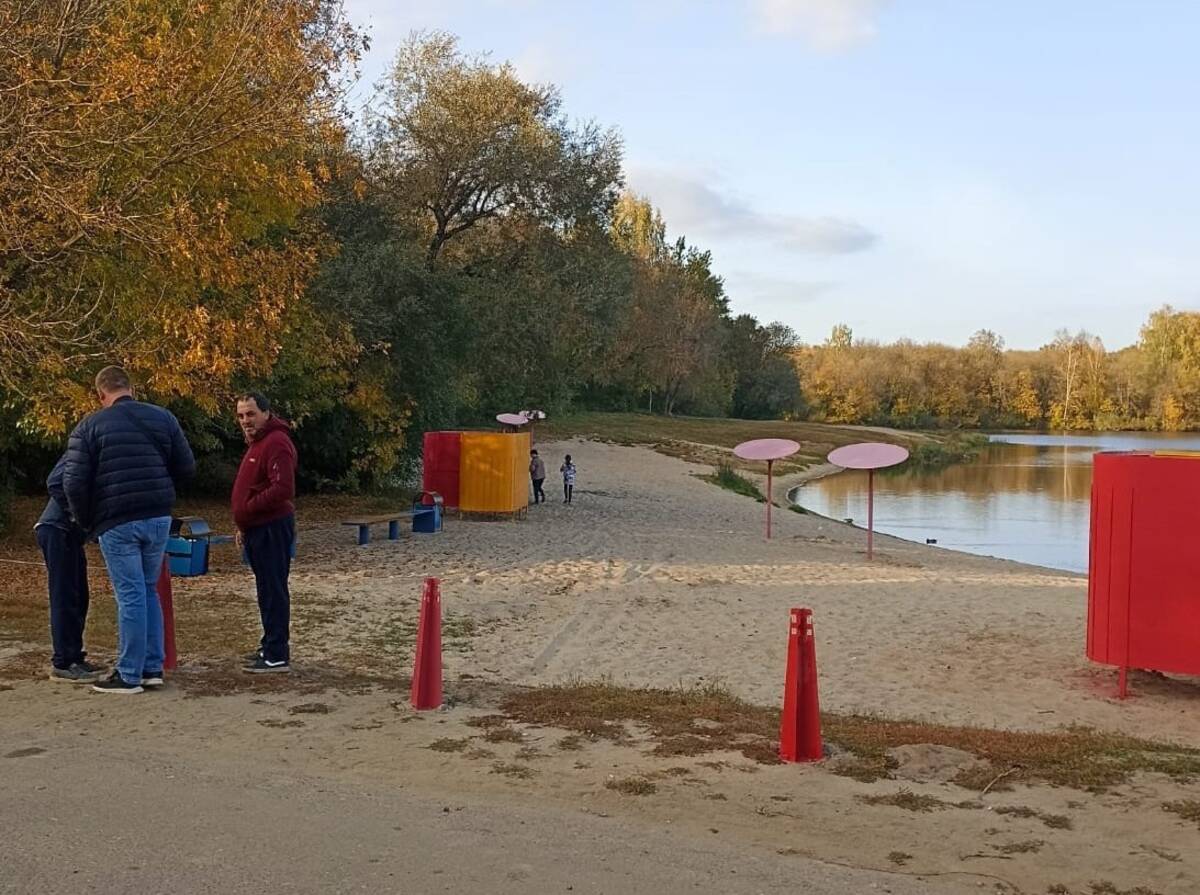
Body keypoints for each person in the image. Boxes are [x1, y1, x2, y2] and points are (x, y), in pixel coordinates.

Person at [64, 366, 195, 694]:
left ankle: (129, 673)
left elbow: (74, 481)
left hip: (117, 518)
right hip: (158, 515)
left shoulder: (90, 426)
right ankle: (152, 666)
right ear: (131, 388)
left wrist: (86, 521)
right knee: (148, 590)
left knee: (131, 595)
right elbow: (186, 466)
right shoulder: (163, 418)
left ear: (100, 394)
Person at [232, 392, 297, 674]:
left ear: (266, 413)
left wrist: (249, 510)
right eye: (241, 415)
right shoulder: (257, 443)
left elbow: (283, 488)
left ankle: (277, 654)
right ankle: (269, 643)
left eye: (251, 414)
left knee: (273, 589)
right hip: (256, 527)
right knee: (265, 589)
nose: (246, 420)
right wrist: (243, 522)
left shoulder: (277, 442)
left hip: (271, 526)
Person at [35, 454, 103, 683]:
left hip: (71, 533)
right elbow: (55, 482)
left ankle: (75, 656)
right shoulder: (83, 452)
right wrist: (76, 513)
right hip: (56, 528)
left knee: (80, 595)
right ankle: (62, 661)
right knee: (63, 596)